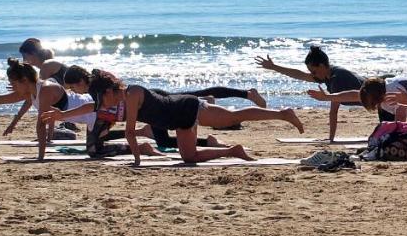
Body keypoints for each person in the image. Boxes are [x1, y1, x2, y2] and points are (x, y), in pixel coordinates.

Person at [43, 70, 304, 166]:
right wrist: (63, 114)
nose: (104, 102)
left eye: (106, 97)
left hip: (186, 108)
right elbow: (91, 109)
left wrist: (136, 160)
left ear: (112, 91)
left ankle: (282, 113)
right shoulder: (110, 100)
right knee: (188, 158)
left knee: (230, 116)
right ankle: (232, 151)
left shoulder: (131, 94)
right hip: (176, 120)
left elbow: (132, 130)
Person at [254, 45, 365, 140]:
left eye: (313, 71)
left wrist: (331, 139)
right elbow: (300, 75)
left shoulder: (336, 79)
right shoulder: (328, 74)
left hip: (379, 95)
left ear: (321, 66)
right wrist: (274, 67)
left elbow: (333, 112)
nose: (312, 75)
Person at [308, 76, 407, 131]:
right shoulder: (381, 92)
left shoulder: (393, 92)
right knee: (386, 127)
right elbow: (353, 95)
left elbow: (400, 120)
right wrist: (327, 97)